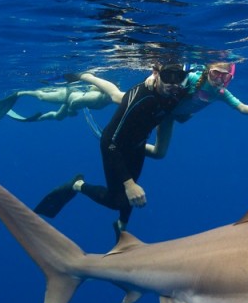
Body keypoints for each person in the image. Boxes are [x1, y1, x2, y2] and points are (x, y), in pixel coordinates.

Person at [33, 62, 189, 238]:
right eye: (167, 77)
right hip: (115, 147)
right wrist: (129, 183)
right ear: (157, 73)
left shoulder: (178, 89)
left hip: (136, 145)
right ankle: (77, 184)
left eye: (179, 78)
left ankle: (121, 224)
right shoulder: (140, 100)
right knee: (118, 200)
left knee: (116, 96)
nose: (173, 83)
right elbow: (108, 142)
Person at [74, 61, 248, 124]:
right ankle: (88, 77)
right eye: (215, 74)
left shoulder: (220, 93)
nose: (218, 81)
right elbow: (169, 79)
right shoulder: (195, 78)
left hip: (169, 116)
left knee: (160, 153)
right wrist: (151, 80)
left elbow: (240, 107)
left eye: (225, 77)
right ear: (207, 71)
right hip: (160, 105)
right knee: (117, 97)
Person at [0, 84, 114, 137]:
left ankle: (40, 118)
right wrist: (72, 111)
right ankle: (22, 92)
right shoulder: (95, 97)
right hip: (68, 95)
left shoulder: (108, 99)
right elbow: (75, 102)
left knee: (58, 117)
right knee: (42, 97)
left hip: (75, 101)